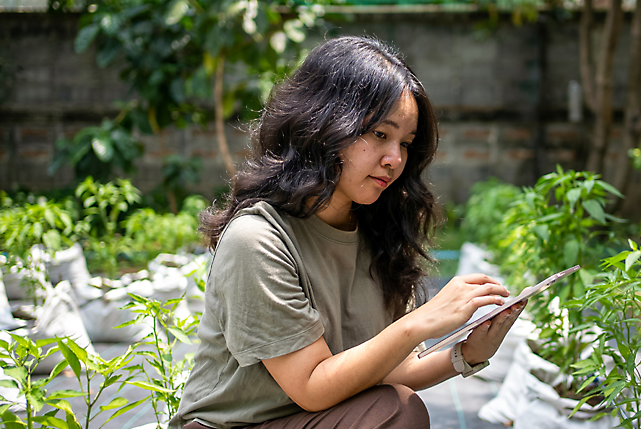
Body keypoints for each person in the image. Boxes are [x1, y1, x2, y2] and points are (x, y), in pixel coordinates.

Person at [169, 36, 524, 429]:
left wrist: (467, 353)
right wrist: (420, 320)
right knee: (398, 412)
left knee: (396, 406)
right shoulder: (257, 240)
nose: (394, 160)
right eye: (379, 135)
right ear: (324, 125)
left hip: (324, 417)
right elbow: (311, 386)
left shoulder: (376, 232)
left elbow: (391, 369)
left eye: (405, 143)